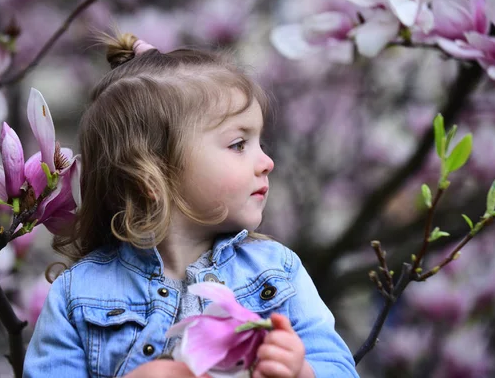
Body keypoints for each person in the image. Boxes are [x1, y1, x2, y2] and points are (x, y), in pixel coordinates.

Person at [23, 33, 359, 378]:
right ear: (151, 173)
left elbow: (340, 368)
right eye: (239, 144)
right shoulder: (78, 294)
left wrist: (301, 371)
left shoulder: (277, 272)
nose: (267, 162)